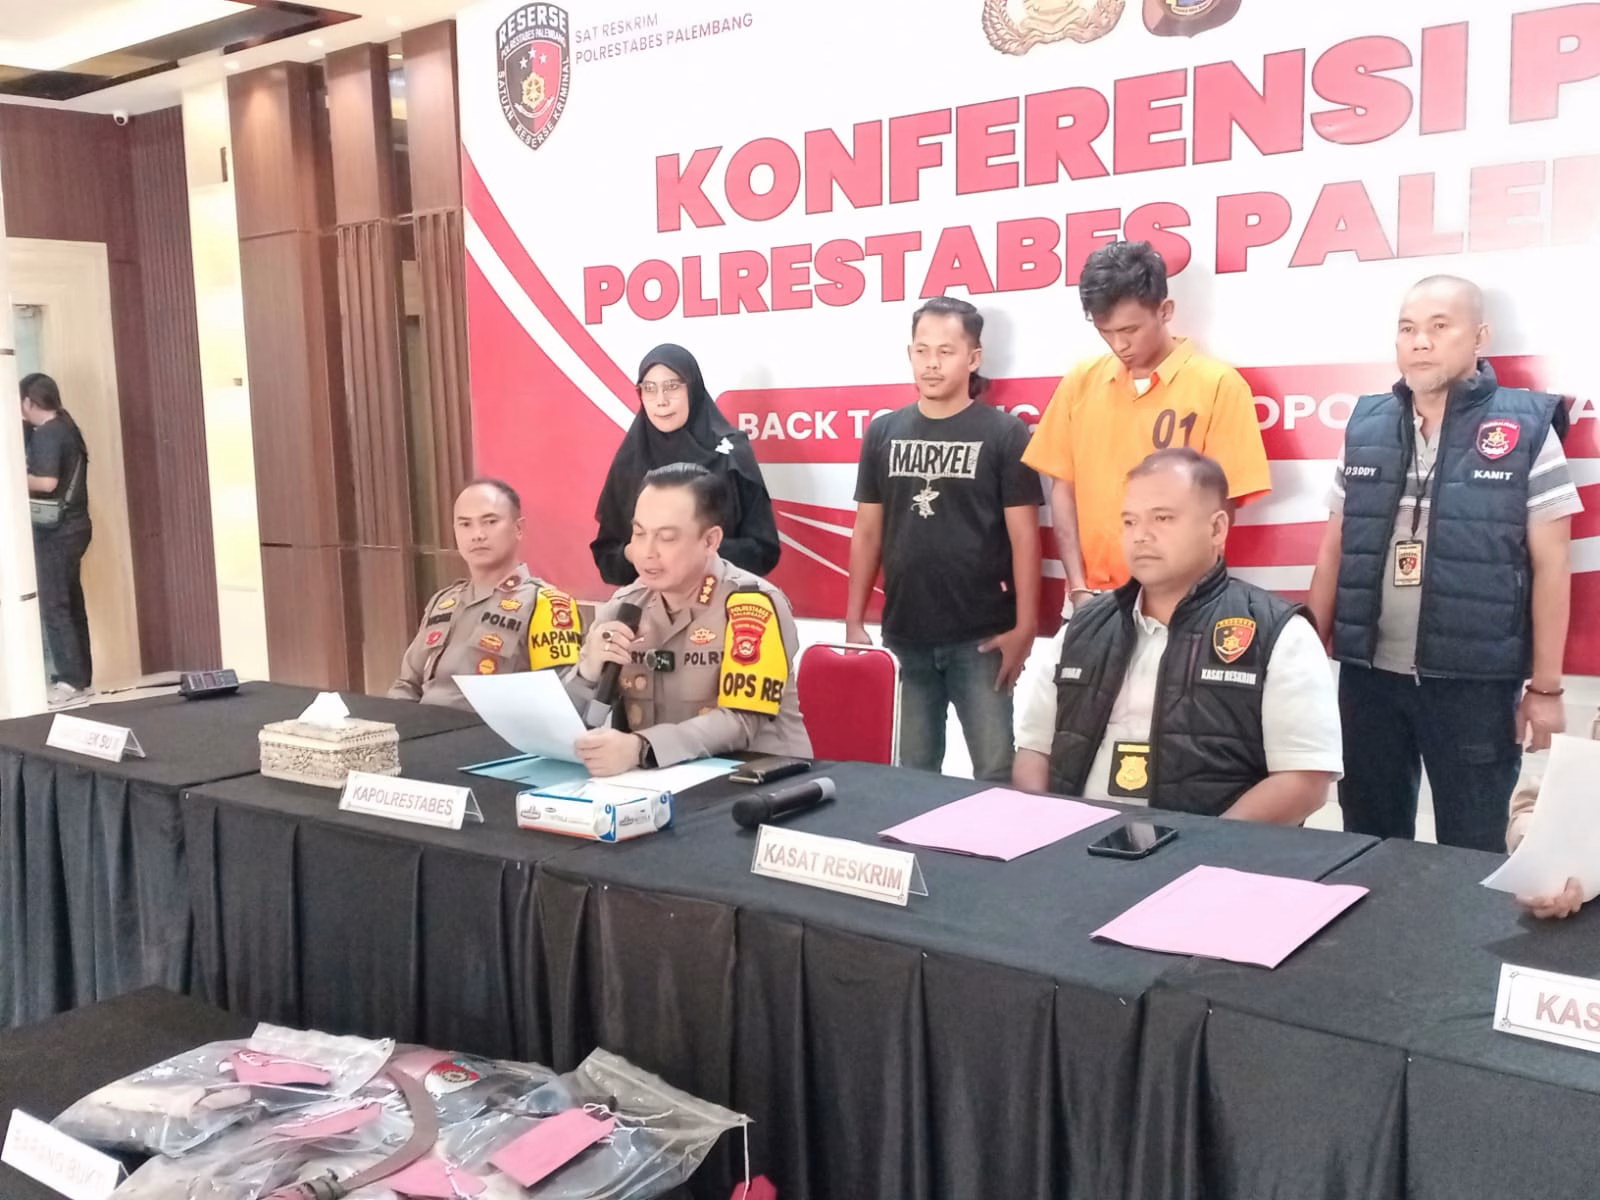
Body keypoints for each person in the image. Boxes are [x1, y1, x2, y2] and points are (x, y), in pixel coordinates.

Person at [1307, 276, 1580, 853]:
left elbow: (1553, 566)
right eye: (1407, 329)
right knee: (1367, 843)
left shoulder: (1526, 429)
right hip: (1368, 681)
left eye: (1439, 327)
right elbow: (1333, 548)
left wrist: (1546, 690)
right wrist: (1305, 667)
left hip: (1474, 686)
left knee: (1472, 848)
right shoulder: (1366, 425)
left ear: (1479, 337)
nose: (1420, 342)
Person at [1014, 449, 1342, 821]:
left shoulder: (1278, 632)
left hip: (1210, 852)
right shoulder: (1083, 628)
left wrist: (1196, 847)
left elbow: (1304, 780)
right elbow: (1033, 750)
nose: (1141, 536)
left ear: (1217, 529)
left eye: (1163, 518)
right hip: (1076, 844)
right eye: (1129, 521)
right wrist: (1047, 830)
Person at [844, 297, 1041, 782]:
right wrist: (853, 620)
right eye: (922, 350)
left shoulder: (1005, 434)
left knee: (996, 771)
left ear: (973, 358)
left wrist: (1026, 626)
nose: (932, 363)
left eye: (946, 352)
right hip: (905, 635)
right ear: (909, 353)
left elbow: (1025, 538)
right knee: (913, 775)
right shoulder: (883, 433)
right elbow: (867, 531)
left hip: (982, 638)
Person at [1023, 241, 1271, 617]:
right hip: (1091, 599)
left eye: (1130, 329)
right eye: (1106, 331)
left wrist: (1185, 595)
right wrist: (1078, 589)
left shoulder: (1219, 385)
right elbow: (1063, 490)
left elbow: (1223, 503)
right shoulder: (1079, 383)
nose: (1119, 344)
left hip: (1182, 602)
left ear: (1165, 310)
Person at [567, 463, 811, 776]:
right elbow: (575, 725)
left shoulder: (753, 605)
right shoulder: (624, 606)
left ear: (710, 541)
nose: (646, 551)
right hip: (656, 781)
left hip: (756, 780)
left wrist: (641, 747)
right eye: (639, 533)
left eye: (666, 538)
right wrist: (587, 673)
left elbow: (742, 720)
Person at [591, 344, 780, 586]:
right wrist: (634, 552)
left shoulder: (731, 454)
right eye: (649, 388)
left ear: (693, 388)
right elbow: (607, 560)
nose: (661, 401)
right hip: (648, 601)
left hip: (722, 595)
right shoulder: (630, 458)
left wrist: (694, 552)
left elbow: (763, 550)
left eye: (672, 386)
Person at [390, 479, 582, 710]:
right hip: (424, 725)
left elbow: (559, 698)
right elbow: (407, 685)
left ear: (518, 528)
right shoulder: (443, 602)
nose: (477, 534)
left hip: (492, 729)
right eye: (465, 524)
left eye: (490, 522)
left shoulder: (546, 604)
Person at [20, 373, 93, 707]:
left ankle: (69, 682)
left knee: (55, 605)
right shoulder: (66, 426)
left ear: (29, 401)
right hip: (75, 527)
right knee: (71, 604)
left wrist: (13, 475)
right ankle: (80, 678)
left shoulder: (49, 432)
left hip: (57, 531)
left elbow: (47, 482)